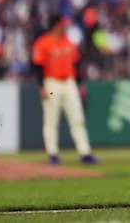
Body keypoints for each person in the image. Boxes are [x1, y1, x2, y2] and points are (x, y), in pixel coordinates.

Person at [32, 14, 98, 165]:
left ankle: (85, 152)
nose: (65, 26)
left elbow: (76, 65)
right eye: (62, 24)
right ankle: (53, 154)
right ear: (55, 25)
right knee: (51, 120)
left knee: (77, 118)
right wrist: (41, 86)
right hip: (51, 82)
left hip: (69, 82)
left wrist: (80, 84)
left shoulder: (68, 42)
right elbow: (37, 67)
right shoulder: (43, 43)